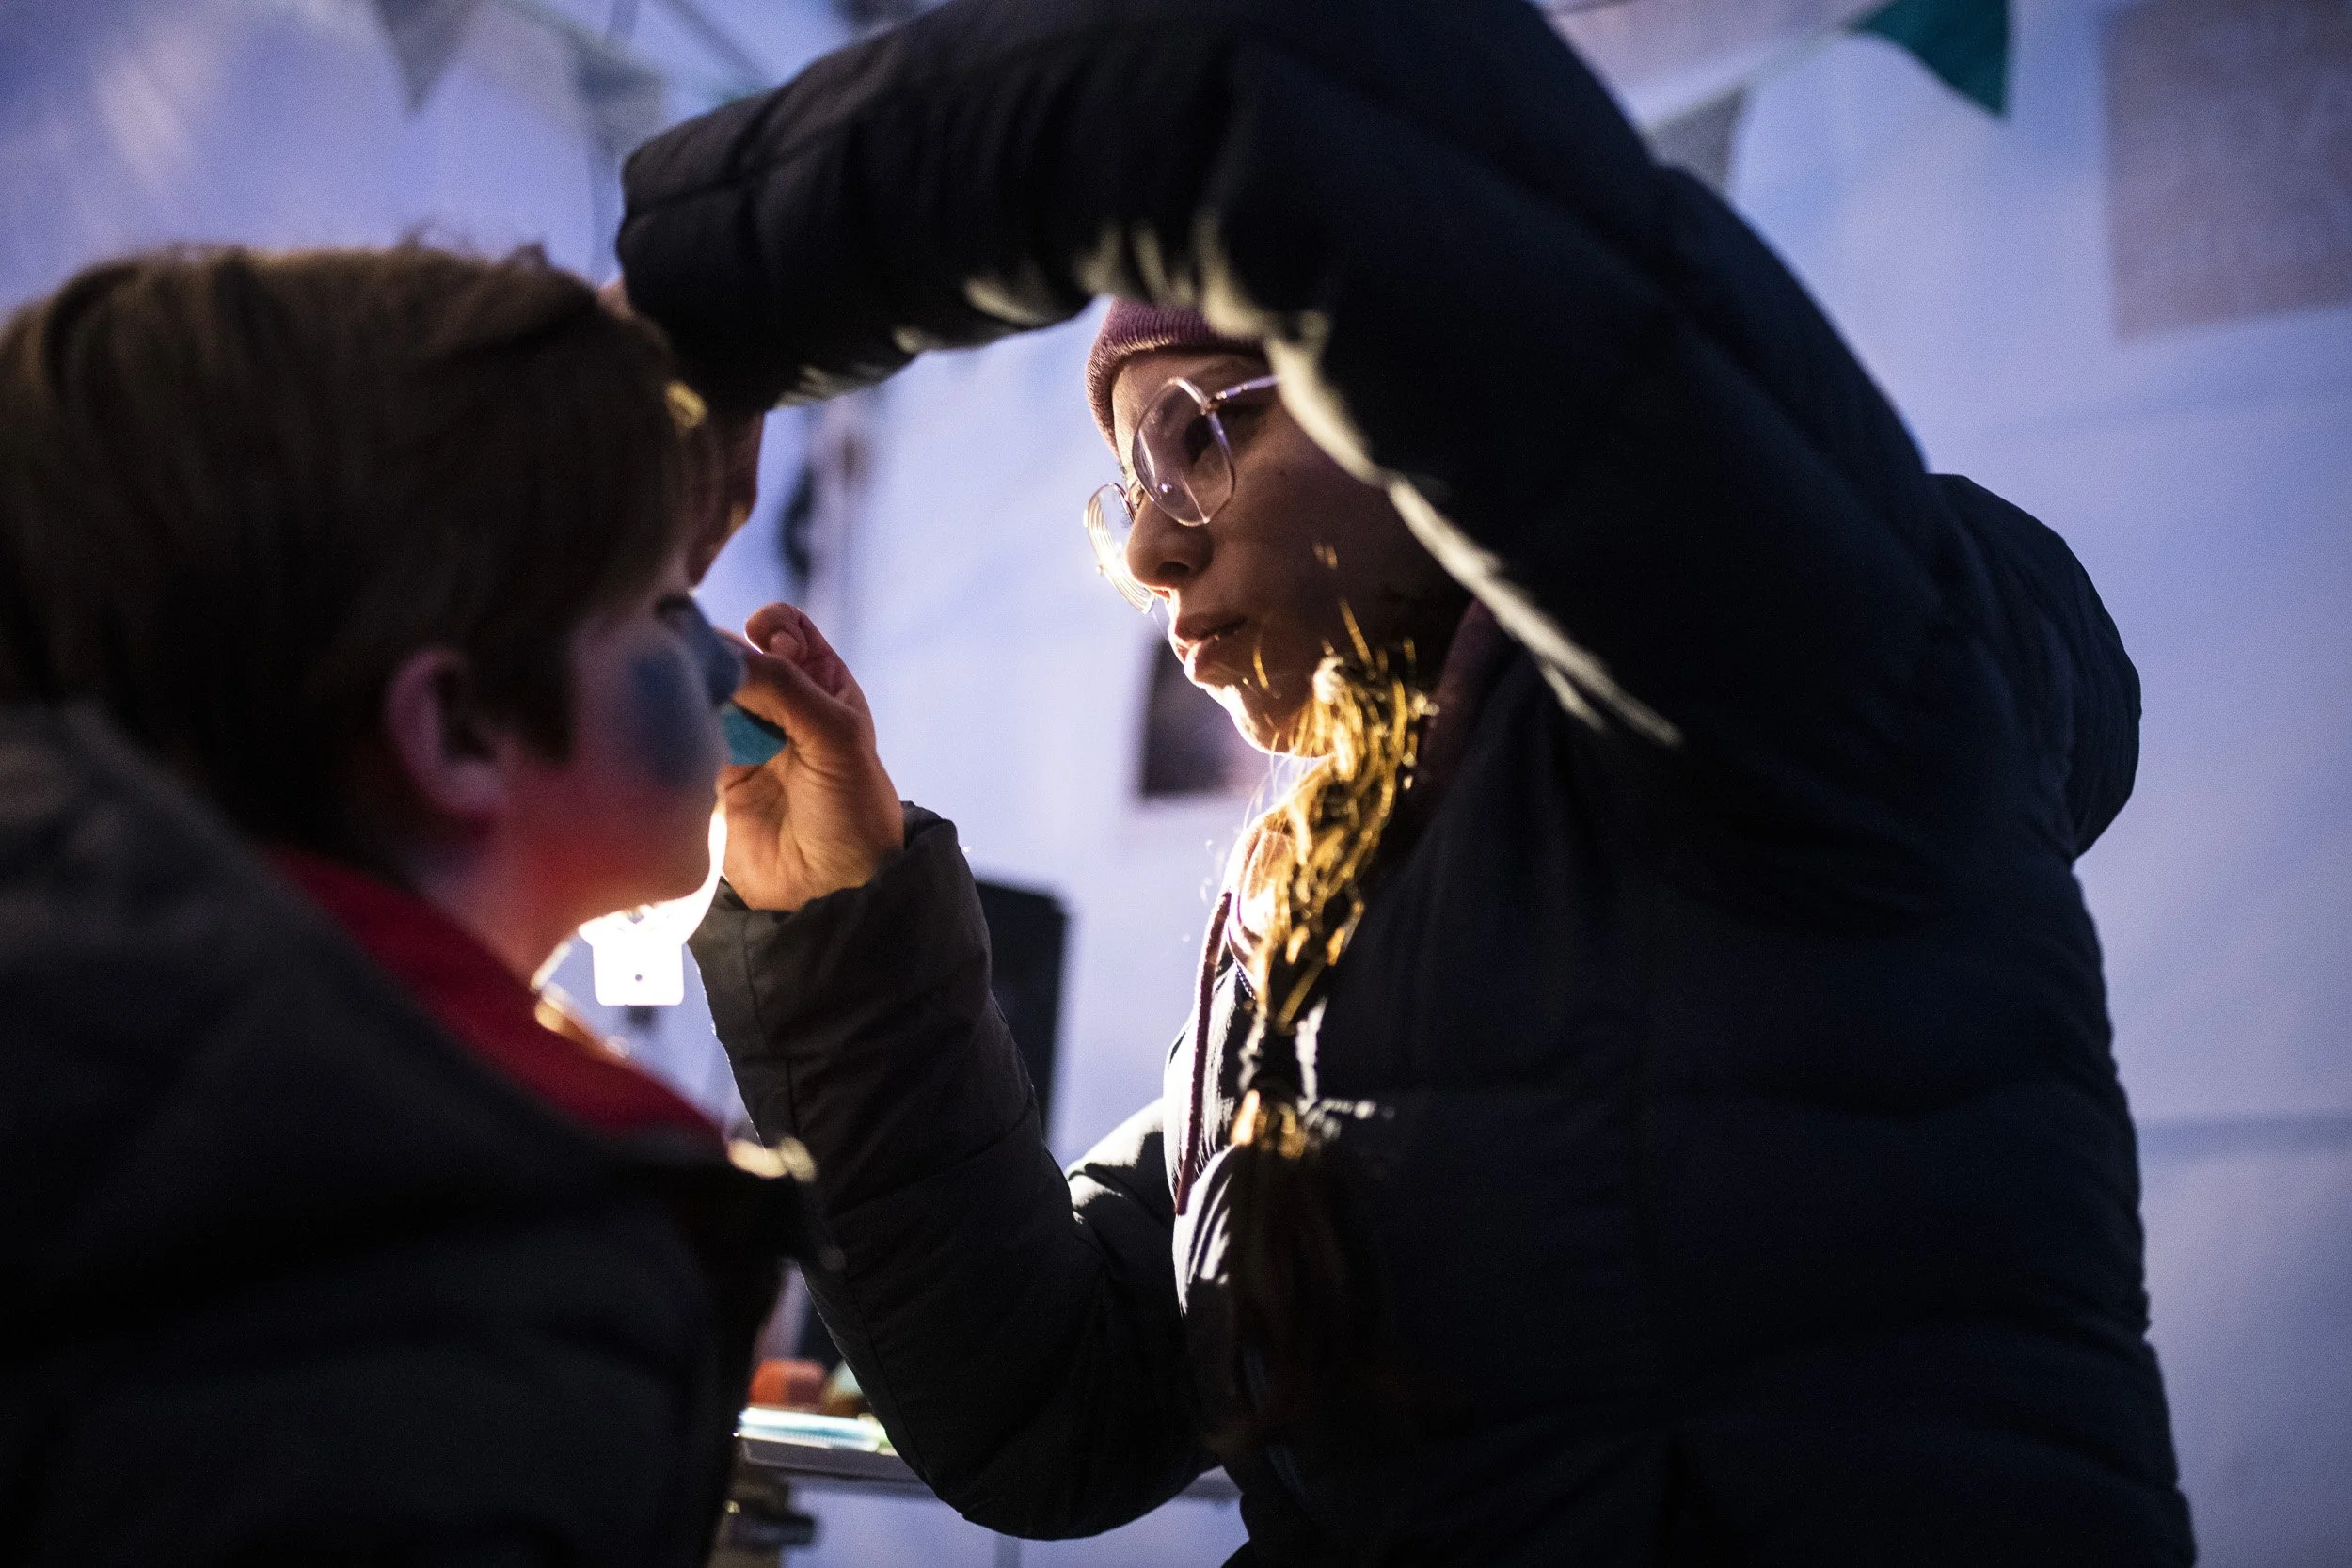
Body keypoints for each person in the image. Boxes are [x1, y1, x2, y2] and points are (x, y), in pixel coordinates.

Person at [623, 0, 2196, 1560]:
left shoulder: (1788, 659)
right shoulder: (1326, 913)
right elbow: (1055, 1401)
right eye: (1126, 484)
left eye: (1192, 437)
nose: (1151, 547)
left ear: (1413, 390)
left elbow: (1262, 89)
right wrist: (837, 923)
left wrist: (708, 311)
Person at [0, 245, 801, 1567]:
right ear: (460, 727)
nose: (722, 664)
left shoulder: (143, 1126)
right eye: (664, 606)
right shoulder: (457, 1282)